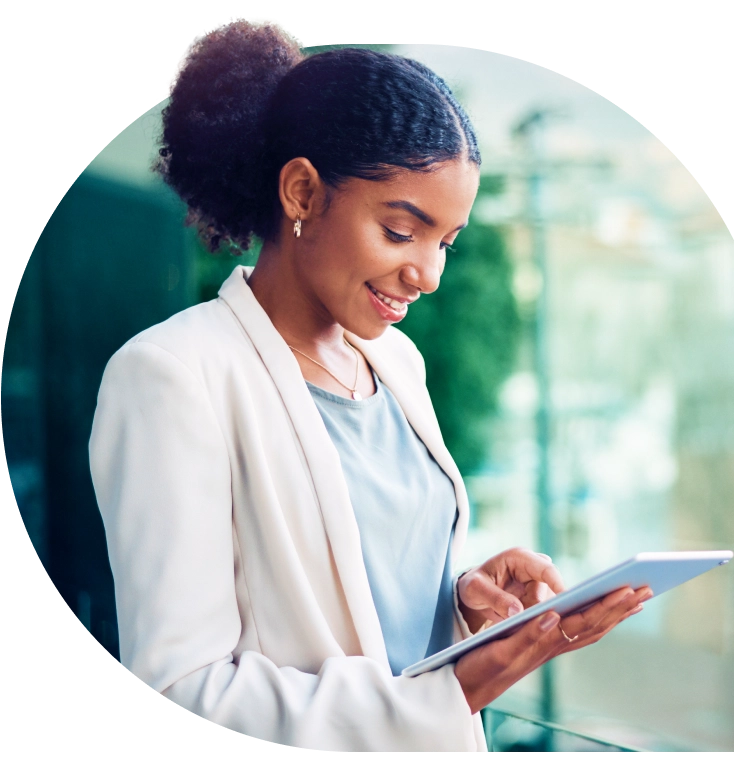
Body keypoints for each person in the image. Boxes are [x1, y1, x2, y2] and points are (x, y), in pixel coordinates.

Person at [88, 17, 651, 752]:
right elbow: (179, 691)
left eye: (447, 242)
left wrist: (464, 607)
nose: (430, 274)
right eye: (401, 232)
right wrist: (457, 689)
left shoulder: (398, 364)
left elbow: (364, 610)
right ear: (302, 192)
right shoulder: (172, 376)